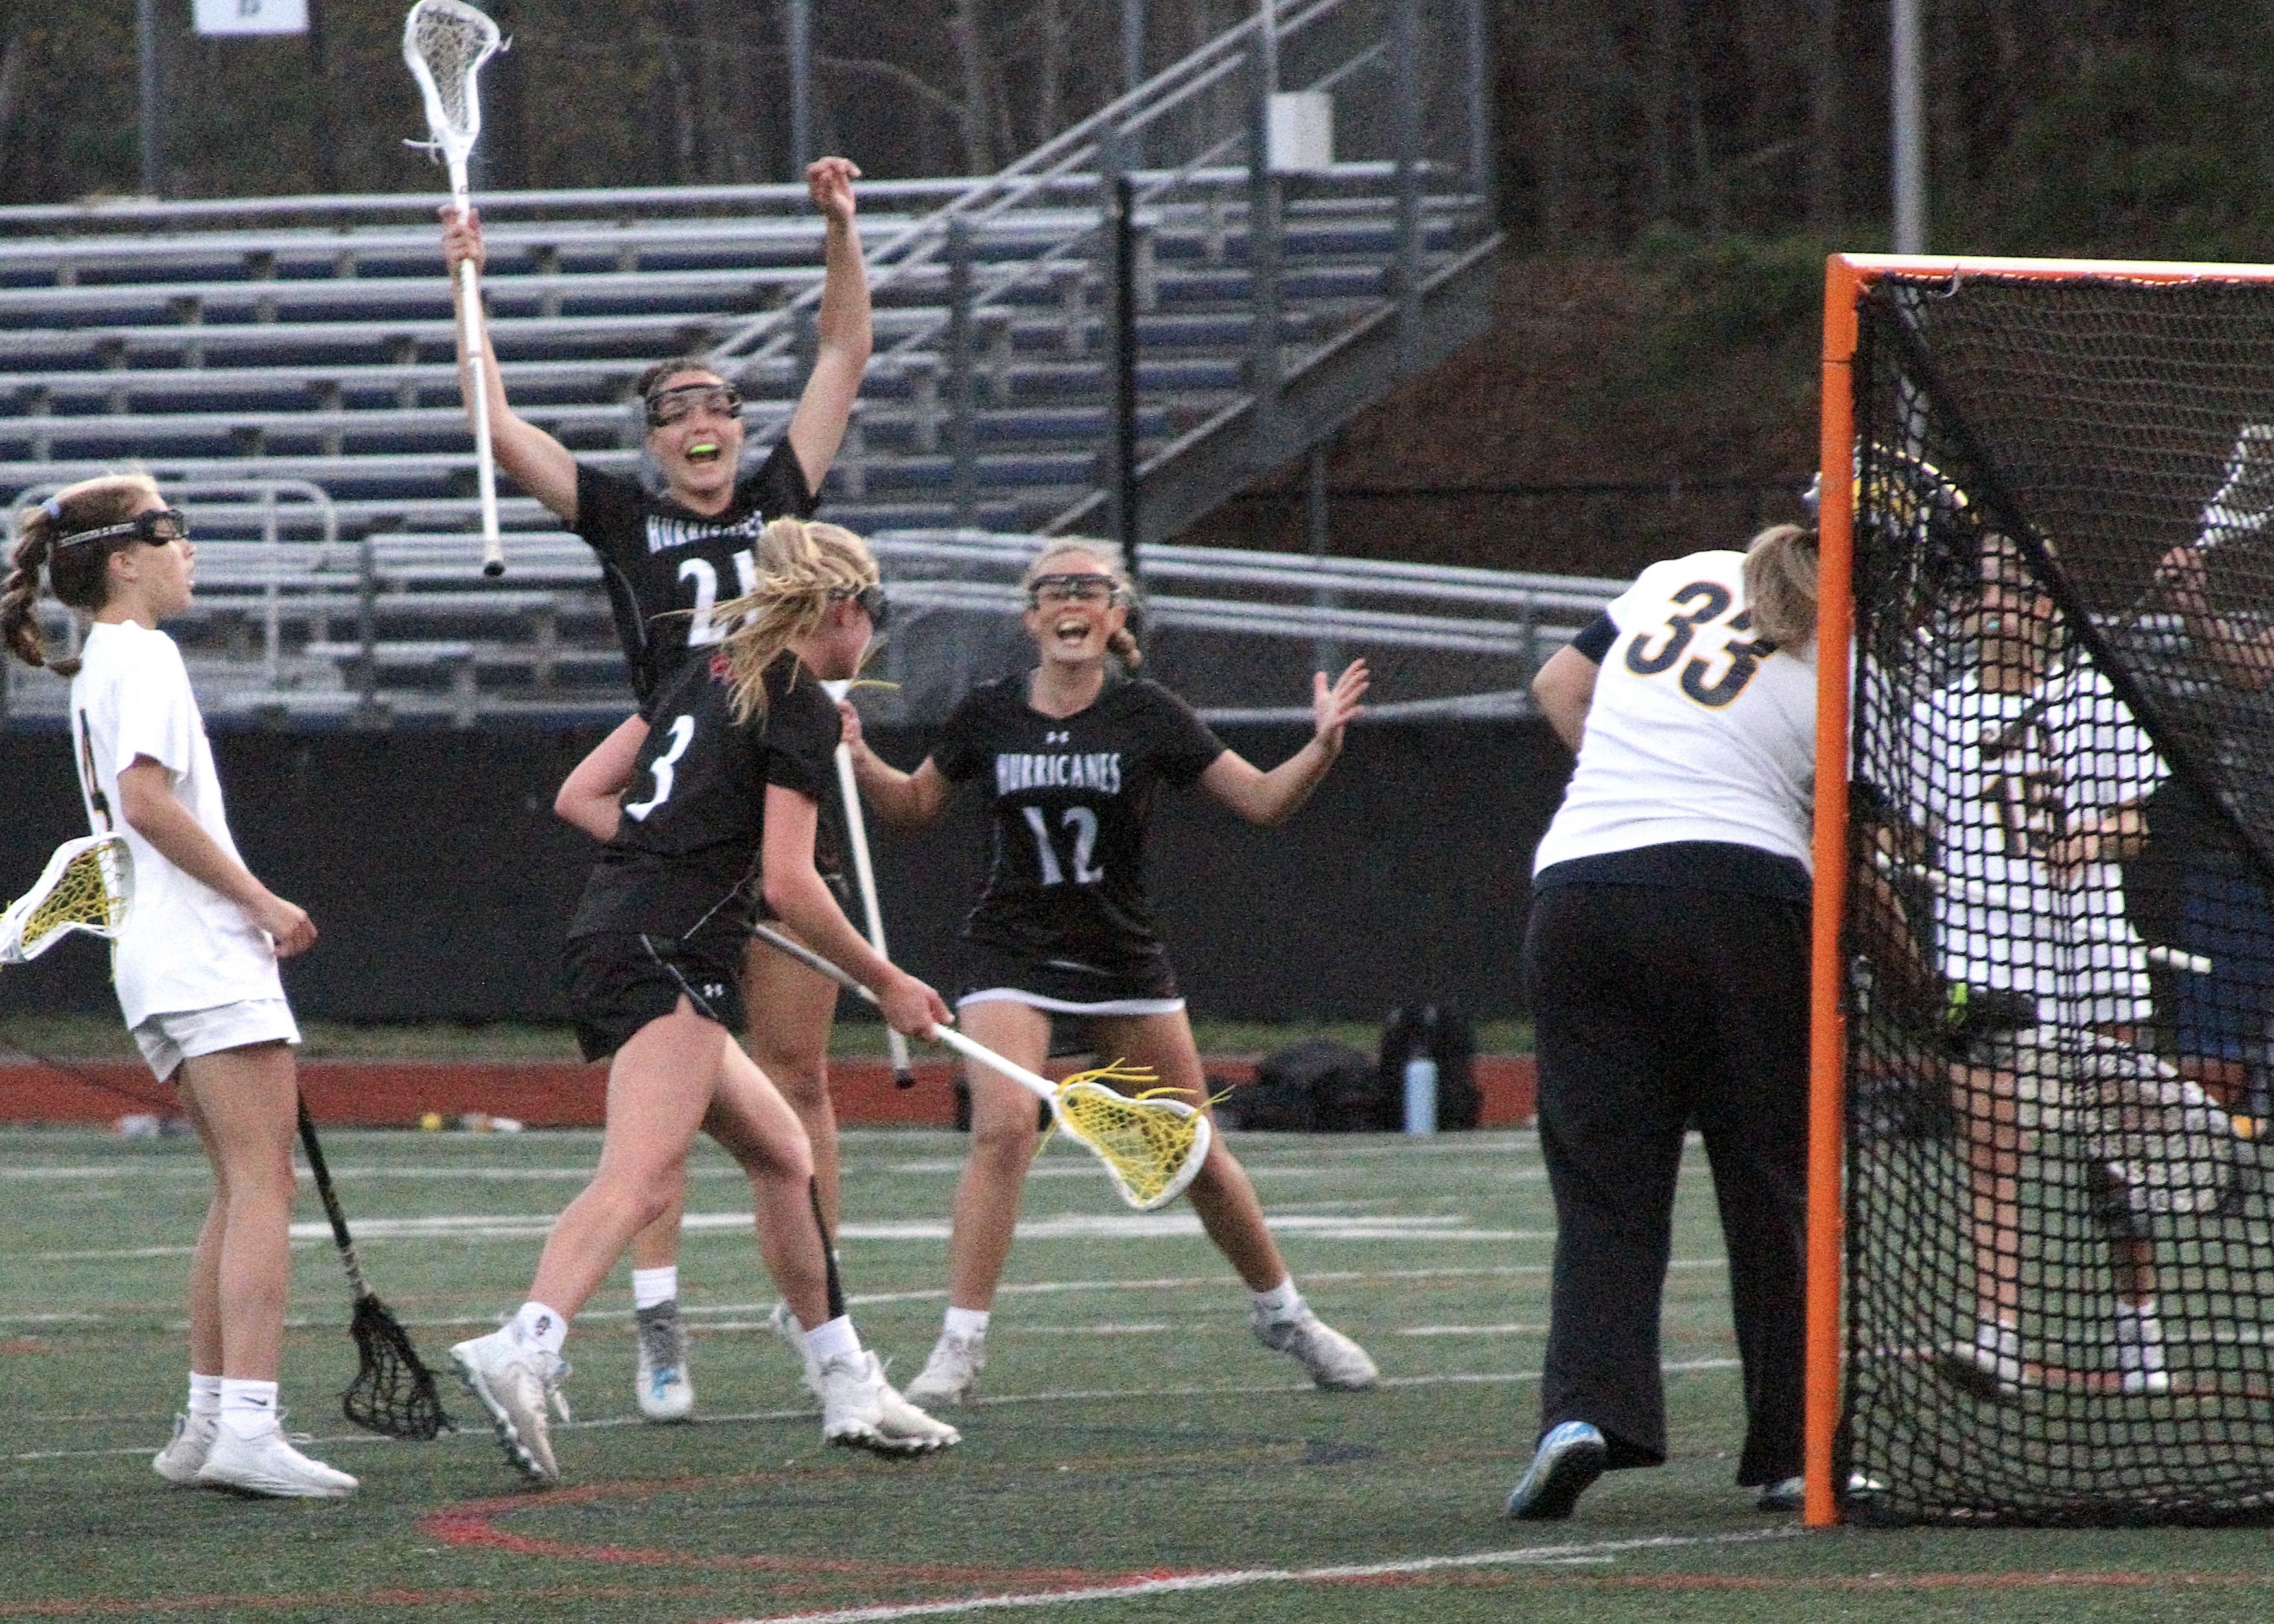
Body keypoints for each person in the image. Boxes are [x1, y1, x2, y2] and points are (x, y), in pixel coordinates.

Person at [443, 156, 872, 1421]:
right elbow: (501, 428)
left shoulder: (781, 499)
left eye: (721, 403)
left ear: (740, 423)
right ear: (651, 434)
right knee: (667, 1104)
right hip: (676, 751)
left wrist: (839, 232)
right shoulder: (627, 516)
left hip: (765, 780)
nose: (703, 419)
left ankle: (832, 1345)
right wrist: (464, 282)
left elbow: (843, 351)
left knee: (789, 1098)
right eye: (676, 407)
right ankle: (652, 1316)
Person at [448, 517, 960, 1485]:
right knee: (640, 1176)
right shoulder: (803, 698)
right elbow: (793, 880)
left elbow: (584, 797)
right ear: (843, 609)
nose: (875, 633)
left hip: (622, 932)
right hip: (670, 952)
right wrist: (888, 982)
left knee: (782, 1151)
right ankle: (525, 1347)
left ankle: (846, 1377)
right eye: (877, 612)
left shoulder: (707, 671)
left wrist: (688, 863)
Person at [839, 539, 1380, 1405]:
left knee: (1192, 1148)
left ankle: (1283, 1312)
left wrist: (1321, 749)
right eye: (1055, 590)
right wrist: (862, 759)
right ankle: (960, 1344)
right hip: (1010, 948)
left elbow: (1265, 800)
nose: (1072, 603)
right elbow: (910, 807)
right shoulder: (986, 713)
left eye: (1090, 590)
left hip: (1120, 954)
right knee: (1006, 1123)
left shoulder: (1149, 714)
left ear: (1115, 614)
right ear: (1031, 618)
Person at [1, 475, 355, 1498]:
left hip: (157, 954)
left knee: (241, 1182)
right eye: (172, 533)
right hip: (199, 950)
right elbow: (149, 804)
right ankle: (247, 1421)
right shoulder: (141, 654)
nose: (190, 549)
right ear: (124, 559)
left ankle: (209, 1421)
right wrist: (262, 899)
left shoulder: (107, 662)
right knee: (260, 1184)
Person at [1508, 523, 1819, 1521]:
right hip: (1744, 894)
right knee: (1769, 1180)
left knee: (1605, 1188)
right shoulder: (1857, 642)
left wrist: (1633, 790)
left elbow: (1559, 684)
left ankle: (1583, 1413)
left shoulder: (1676, 573)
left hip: (1584, 885)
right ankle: (1792, 1450)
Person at [1907, 536, 2175, 1399]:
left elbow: (2134, 824)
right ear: (1969, 607)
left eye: (2033, 587)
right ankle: (2000, 1339)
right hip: (1983, 948)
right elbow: (1911, 832)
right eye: (2001, 586)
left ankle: (2138, 1330)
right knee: (1992, 1144)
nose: (2018, 603)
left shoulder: (2092, 698)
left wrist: (2085, 838)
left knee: (2117, 1147)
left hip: (2090, 942)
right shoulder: (1935, 716)